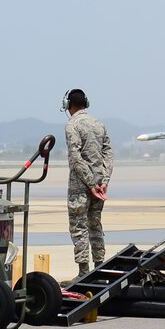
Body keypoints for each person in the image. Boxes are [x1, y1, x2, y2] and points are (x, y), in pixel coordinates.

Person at [62, 89, 112, 278]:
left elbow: (76, 157)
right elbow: (108, 154)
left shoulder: (72, 125)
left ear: (68, 105)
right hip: (100, 185)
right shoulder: (99, 124)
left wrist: (90, 184)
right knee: (95, 224)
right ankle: (100, 269)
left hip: (81, 186)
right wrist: (104, 181)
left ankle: (84, 272)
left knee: (79, 227)